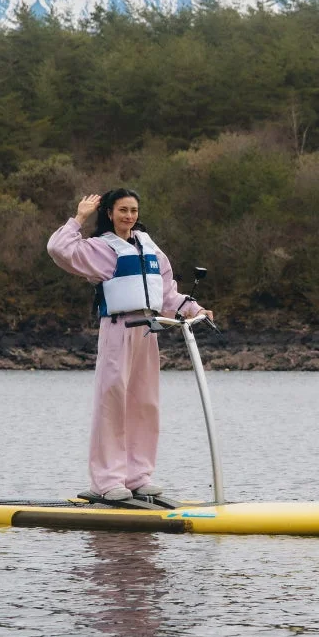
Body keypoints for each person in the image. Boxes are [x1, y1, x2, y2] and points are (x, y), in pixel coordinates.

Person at [47, 188, 211, 503]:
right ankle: (106, 482)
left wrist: (195, 309)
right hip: (118, 329)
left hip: (148, 331)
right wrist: (79, 217)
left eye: (134, 210)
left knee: (145, 403)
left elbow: (167, 294)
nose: (129, 216)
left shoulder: (150, 248)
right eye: (123, 210)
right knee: (112, 403)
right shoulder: (99, 248)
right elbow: (58, 248)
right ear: (110, 213)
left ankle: (137, 476)